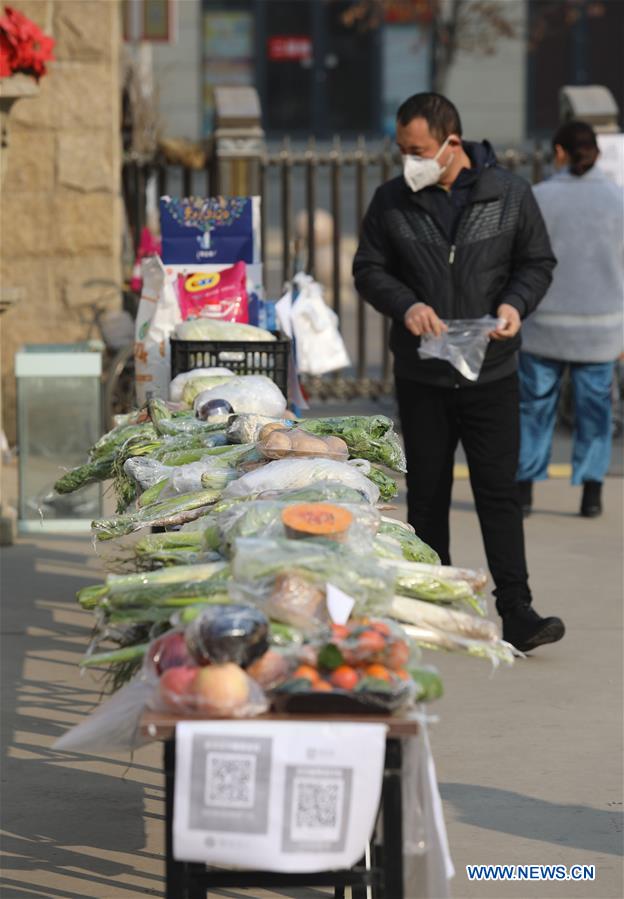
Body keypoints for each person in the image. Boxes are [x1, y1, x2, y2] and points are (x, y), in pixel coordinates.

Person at [353, 92, 565, 652]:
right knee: (427, 493)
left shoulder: (510, 195)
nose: (408, 160)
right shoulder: (392, 202)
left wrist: (515, 305)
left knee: (499, 493)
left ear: (452, 143)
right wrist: (406, 305)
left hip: (491, 372)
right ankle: (432, 601)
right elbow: (368, 269)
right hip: (422, 374)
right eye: (402, 149)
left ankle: (517, 611)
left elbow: (537, 263)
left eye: (417, 149)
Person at [517, 121, 624, 518]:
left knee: (534, 408)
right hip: (603, 327)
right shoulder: (618, 199)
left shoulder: (539, 197)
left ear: (559, 152)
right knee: (596, 412)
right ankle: (592, 492)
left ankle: (525, 491)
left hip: (543, 324)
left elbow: (519, 260)